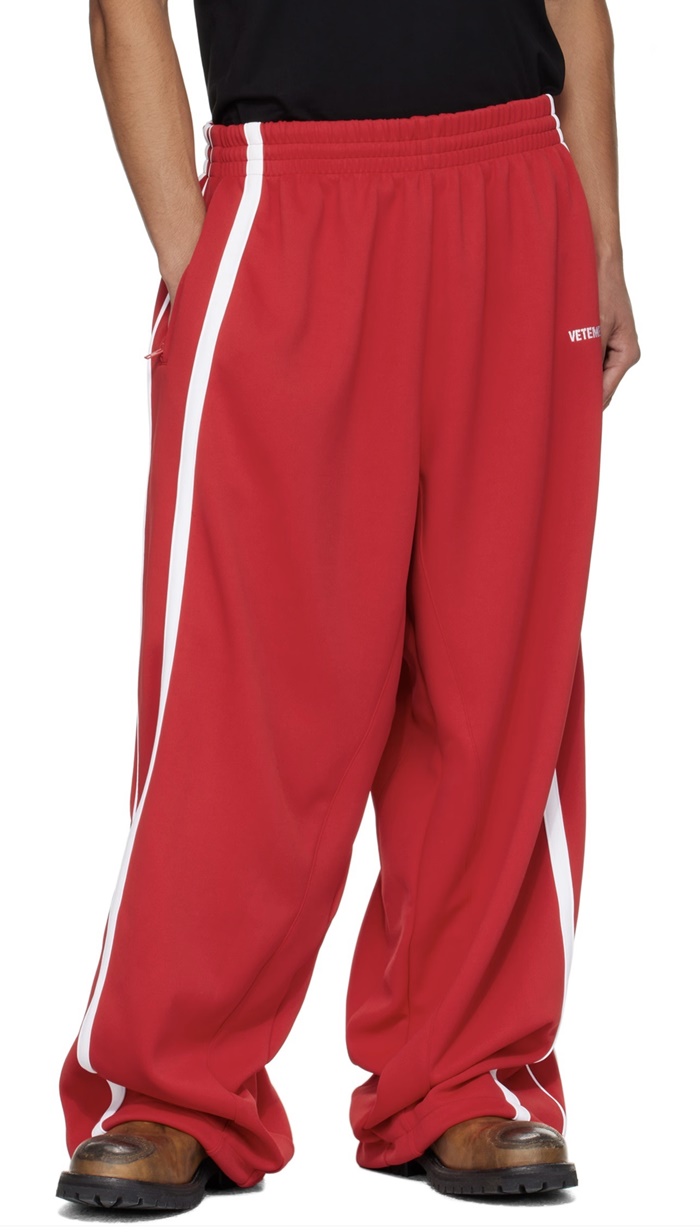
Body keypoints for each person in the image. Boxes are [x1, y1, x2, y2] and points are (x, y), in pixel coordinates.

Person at [56, 0, 640, 1213]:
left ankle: (467, 1072)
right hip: (288, 190)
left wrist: (600, 238)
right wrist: (193, 256)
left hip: (515, 181)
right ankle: (172, 1088)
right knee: (245, 685)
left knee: (499, 665)